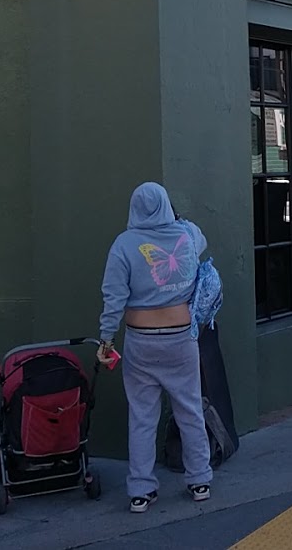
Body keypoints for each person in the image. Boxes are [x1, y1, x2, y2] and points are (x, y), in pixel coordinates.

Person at [97, 181, 214, 513]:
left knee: (142, 416)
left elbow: (113, 298)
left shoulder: (123, 245)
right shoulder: (187, 235)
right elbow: (200, 238)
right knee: (189, 409)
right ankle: (199, 480)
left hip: (141, 341)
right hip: (181, 338)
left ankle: (140, 490)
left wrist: (106, 339)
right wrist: (176, 219)